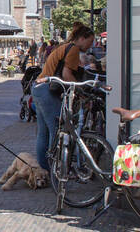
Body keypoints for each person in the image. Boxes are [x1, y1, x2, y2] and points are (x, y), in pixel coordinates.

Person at [33, 23, 95, 181]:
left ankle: (45, 170)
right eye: (90, 41)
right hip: (47, 90)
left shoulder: (64, 46)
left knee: (43, 133)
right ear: (82, 38)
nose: (91, 45)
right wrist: (80, 92)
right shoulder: (73, 49)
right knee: (57, 130)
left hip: (38, 88)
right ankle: (56, 172)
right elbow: (67, 74)